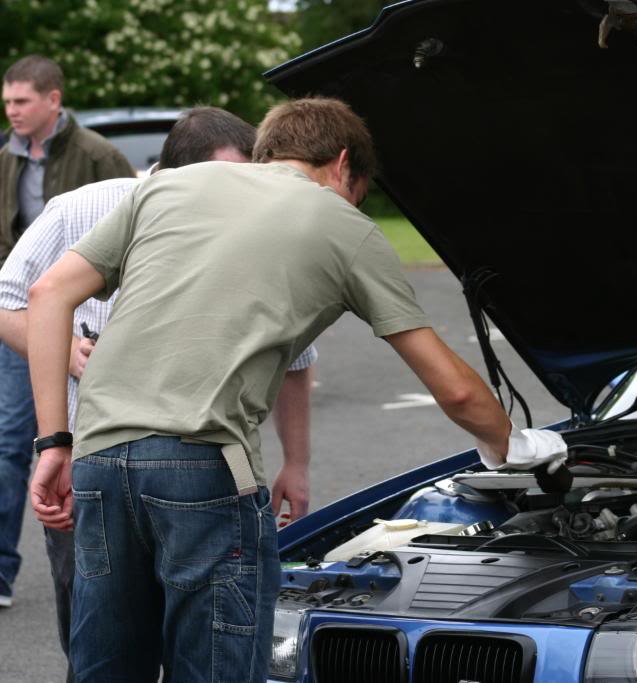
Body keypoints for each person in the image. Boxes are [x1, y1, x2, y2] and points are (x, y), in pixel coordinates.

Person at [26, 97, 565, 682]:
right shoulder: (341, 225)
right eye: (357, 193)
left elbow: (49, 294)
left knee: (104, 669)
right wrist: (515, 446)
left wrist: (55, 441)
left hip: (99, 461)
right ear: (342, 165)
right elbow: (455, 392)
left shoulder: (166, 187)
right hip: (202, 467)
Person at [0, 106, 317, 681]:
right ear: (174, 173)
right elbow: (10, 300)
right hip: (90, 467)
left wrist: (296, 461)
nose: (243, 194)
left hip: (203, 466)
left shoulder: (259, 219)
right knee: (100, 656)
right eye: (230, 179)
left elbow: (295, 354)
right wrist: (67, 352)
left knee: (209, 645)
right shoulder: (80, 208)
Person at [0, 55, 135, 608]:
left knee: (81, 440)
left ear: (53, 100)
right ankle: (1, 571)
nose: (12, 112)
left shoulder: (100, 155)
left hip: (81, 318)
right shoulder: (5, 159)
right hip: (23, 312)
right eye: (7, 102)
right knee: (11, 443)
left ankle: (101, 566)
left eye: (22, 101)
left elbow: (132, 225)